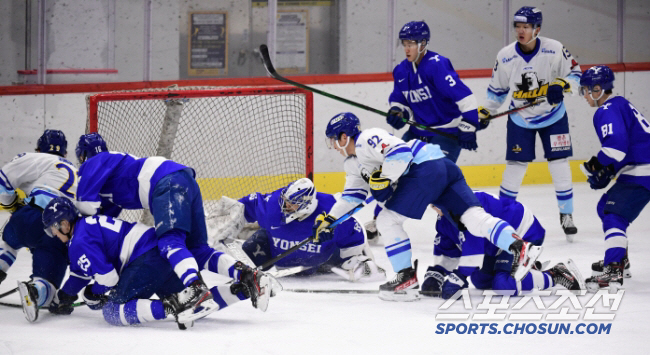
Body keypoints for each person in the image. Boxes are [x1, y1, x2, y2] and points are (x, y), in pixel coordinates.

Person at [315, 112, 543, 301]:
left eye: (333, 139)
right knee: (473, 218)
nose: (333, 146)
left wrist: (385, 178)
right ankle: (517, 246)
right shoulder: (353, 164)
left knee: (386, 220)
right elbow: (352, 198)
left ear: (344, 137)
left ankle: (405, 278)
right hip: (444, 168)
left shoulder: (368, 138)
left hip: (423, 170)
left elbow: (400, 152)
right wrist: (330, 220)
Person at [40, 197, 275, 329]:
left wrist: (94, 292)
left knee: (112, 311)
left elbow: (108, 278)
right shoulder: (87, 226)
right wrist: (65, 297)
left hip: (144, 258)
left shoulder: (78, 240)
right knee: (196, 305)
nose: (55, 234)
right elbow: (79, 274)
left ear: (64, 223)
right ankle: (244, 289)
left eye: (54, 228)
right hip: (156, 253)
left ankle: (171, 306)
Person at [73, 132, 225, 317]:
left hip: (165, 182)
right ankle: (246, 277)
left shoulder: (95, 162)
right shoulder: (111, 174)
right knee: (198, 249)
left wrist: (77, 238)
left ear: (83, 156)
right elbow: (102, 223)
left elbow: (85, 207)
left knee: (170, 242)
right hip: (183, 177)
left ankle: (196, 289)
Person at [366, 20, 487, 242]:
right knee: (392, 170)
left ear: (423, 44)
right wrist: (398, 111)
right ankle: (378, 220)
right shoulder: (401, 70)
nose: (407, 48)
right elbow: (399, 99)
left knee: (434, 179)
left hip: (446, 133)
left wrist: (469, 126)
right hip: (417, 133)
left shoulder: (437, 65)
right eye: (404, 43)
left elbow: (466, 97)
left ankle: (463, 222)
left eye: (411, 43)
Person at [480, 6, 582, 242]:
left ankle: (566, 214)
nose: (521, 31)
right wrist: (486, 112)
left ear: (537, 28)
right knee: (515, 167)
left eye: (526, 26)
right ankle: (502, 214)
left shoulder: (554, 49)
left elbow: (576, 74)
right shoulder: (505, 55)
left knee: (559, 164)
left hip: (554, 116)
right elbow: (497, 91)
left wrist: (561, 85)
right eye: (517, 26)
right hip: (521, 119)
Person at [212, 178, 385, 282]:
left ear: (307, 205)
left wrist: (363, 262)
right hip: (273, 253)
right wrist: (218, 227)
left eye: (292, 205)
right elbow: (240, 208)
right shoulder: (272, 205)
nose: (286, 207)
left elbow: (356, 233)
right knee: (240, 264)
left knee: (353, 261)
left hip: (322, 260)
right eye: (285, 202)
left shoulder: (333, 210)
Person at [422, 191, 584, 299]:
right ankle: (526, 269)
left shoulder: (466, 208)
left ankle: (556, 275)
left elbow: (474, 249)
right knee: (480, 280)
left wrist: (460, 276)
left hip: (521, 233)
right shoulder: (445, 217)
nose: (434, 208)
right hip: (496, 246)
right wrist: (438, 272)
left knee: (504, 285)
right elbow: (447, 247)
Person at [577, 66, 650, 291]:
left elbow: (616, 147)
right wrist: (609, 170)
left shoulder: (606, 109)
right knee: (604, 206)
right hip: (639, 168)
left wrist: (596, 165)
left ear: (598, 89)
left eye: (587, 90)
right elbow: (627, 145)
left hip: (643, 171)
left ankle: (614, 269)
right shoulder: (620, 103)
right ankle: (622, 259)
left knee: (613, 213)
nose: (585, 95)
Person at [0, 130, 77, 322]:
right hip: (60, 231)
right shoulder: (79, 173)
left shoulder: (34, 157)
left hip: (28, 217)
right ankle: (35, 291)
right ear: (66, 154)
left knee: (8, 242)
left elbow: (3, 180)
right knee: (48, 285)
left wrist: (10, 205)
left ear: (38, 148)